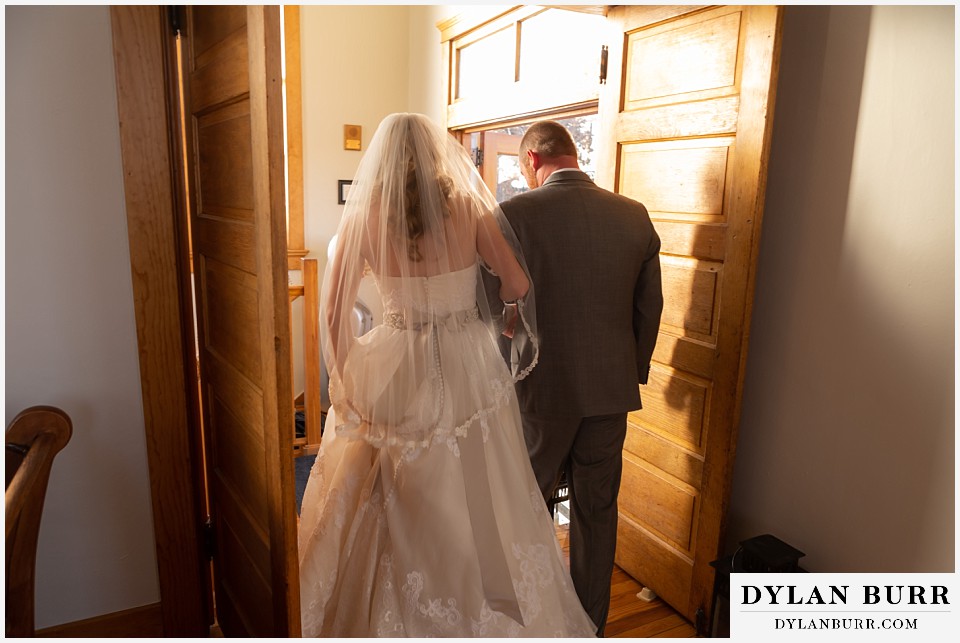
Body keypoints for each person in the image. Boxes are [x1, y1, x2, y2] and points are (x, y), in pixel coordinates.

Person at [297, 113, 598, 637]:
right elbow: (517, 283)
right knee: (479, 485)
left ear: (383, 164)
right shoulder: (468, 207)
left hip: (394, 357)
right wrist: (503, 318)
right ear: (437, 157)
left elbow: (331, 314)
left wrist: (348, 380)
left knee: (387, 484)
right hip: (467, 361)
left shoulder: (364, 217)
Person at [497, 120, 663, 636]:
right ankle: (591, 625)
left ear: (531, 161)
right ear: (573, 155)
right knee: (596, 509)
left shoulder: (514, 214)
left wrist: (499, 373)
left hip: (539, 390)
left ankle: (530, 617)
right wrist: (630, 371)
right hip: (610, 391)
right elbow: (649, 305)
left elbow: (491, 304)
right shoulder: (633, 215)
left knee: (528, 506)